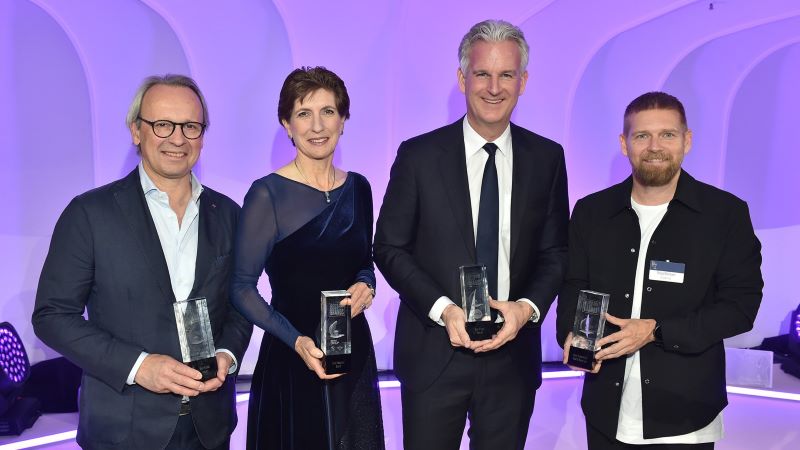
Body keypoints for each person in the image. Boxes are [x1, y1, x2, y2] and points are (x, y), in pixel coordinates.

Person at [374, 19, 569, 450]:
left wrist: (526, 309)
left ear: (523, 82)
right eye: (482, 73)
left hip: (512, 358)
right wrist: (443, 309)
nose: (494, 88)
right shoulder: (419, 155)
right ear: (462, 79)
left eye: (506, 75)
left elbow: (556, 252)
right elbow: (389, 247)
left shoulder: (547, 158)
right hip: (434, 353)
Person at [32, 74, 253, 450]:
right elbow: (52, 316)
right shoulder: (89, 214)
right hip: (123, 430)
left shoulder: (230, 214)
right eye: (163, 124)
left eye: (191, 126)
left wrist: (227, 354)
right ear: (137, 131)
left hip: (209, 427)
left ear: (202, 135)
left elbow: (240, 304)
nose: (178, 139)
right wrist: (139, 366)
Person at [556, 91, 763, 449]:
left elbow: (740, 307)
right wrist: (572, 334)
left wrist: (656, 331)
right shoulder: (591, 212)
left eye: (667, 134)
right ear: (624, 144)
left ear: (687, 140)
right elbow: (574, 283)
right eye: (642, 135)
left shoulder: (725, 215)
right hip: (606, 410)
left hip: (686, 415)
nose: (655, 147)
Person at [231, 66, 385, 450]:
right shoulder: (267, 195)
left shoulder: (360, 187)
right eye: (303, 113)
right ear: (287, 125)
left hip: (353, 353)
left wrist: (367, 284)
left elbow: (363, 259)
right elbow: (241, 288)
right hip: (292, 357)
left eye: (328, 111)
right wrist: (296, 340)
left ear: (343, 120)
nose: (317, 126)